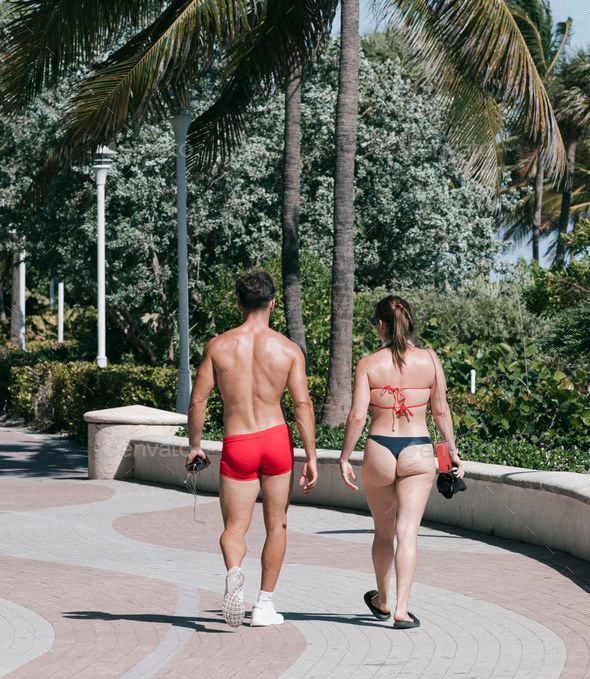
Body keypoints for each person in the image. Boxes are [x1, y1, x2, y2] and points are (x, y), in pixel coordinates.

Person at [186, 270, 317, 629]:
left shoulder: (219, 346)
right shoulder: (288, 349)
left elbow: (198, 401)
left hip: (238, 441)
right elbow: (302, 406)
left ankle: (233, 573)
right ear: (273, 303)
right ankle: (264, 606)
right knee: (277, 525)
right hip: (275, 441)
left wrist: (195, 445)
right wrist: (312, 456)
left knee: (234, 528)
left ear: (239, 303)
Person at [339, 295, 464, 629]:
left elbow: (356, 417)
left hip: (380, 448)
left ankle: (381, 598)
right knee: (408, 532)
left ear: (381, 325)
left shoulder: (368, 364)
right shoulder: (430, 360)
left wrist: (344, 457)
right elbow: (440, 411)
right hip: (419, 449)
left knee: (383, 532)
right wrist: (451, 450)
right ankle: (401, 610)